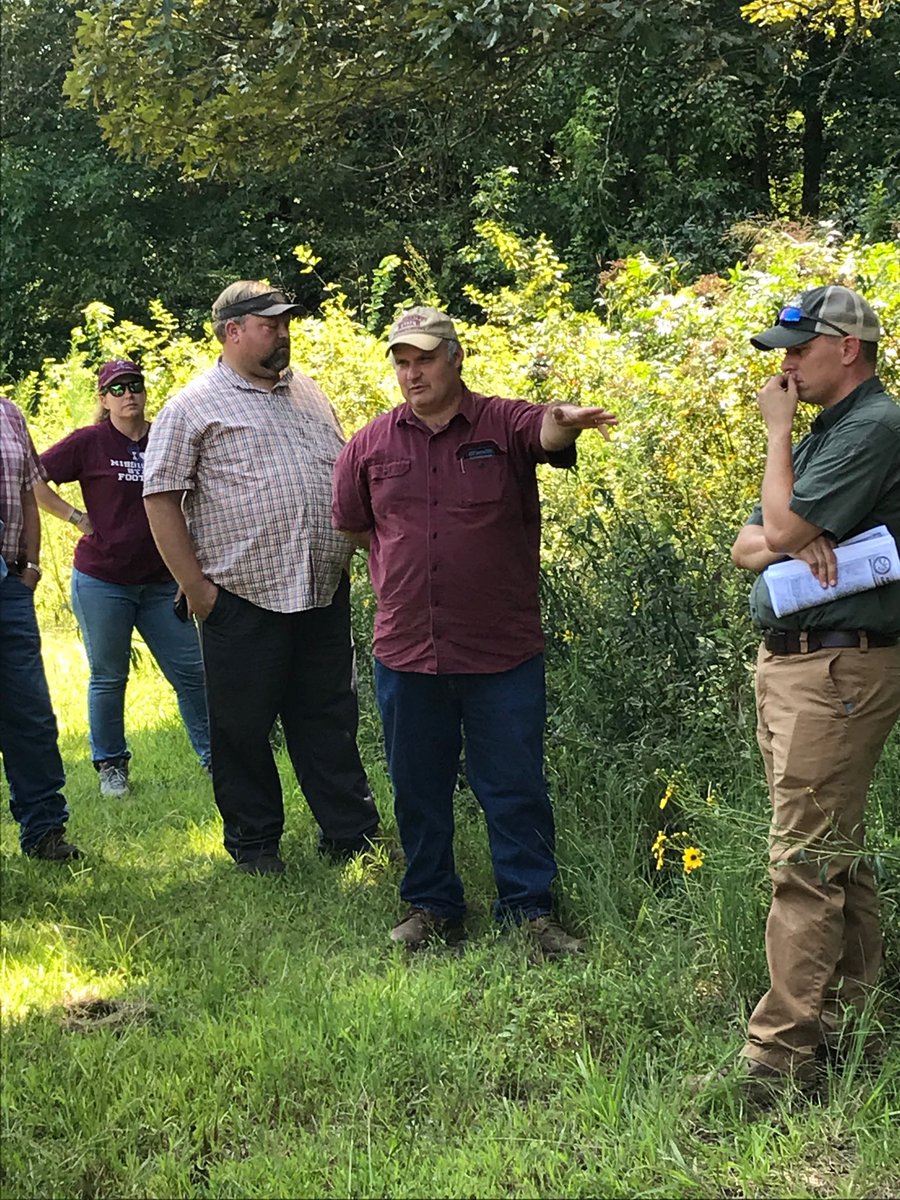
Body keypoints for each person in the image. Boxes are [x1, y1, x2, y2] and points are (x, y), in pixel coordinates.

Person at [332, 306, 618, 954]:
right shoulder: (370, 444)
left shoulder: (502, 422)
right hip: (408, 649)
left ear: (456, 358)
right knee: (418, 788)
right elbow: (353, 527)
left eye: (425, 359)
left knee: (514, 785)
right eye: (403, 362)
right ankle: (433, 907)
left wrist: (563, 422)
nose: (413, 373)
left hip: (501, 652)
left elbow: (544, 431)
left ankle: (530, 912)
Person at [722, 285, 900, 1101]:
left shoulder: (871, 427)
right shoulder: (840, 430)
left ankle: (780, 1059)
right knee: (835, 853)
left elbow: (780, 531)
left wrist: (776, 434)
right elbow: (746, 542)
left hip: (836, 669)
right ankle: (856, 1021)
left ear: (848, 349)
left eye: (798, 350)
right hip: (804, 662)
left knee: (804, 860)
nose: (785, 367)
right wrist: (781, 536)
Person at [143, 281, 380, 876]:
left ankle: (351, 835)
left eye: (285, 322)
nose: (283, 332)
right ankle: (255, 846)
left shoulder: (307, 392)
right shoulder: (193, 406)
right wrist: (199, 591)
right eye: (270, 324)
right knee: (242, 728)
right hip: (240, 598)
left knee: (328, 716)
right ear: (233, 332)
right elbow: (160, 498)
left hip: (321, 589)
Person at [36, 360, 211, 799]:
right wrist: (75, 516)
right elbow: (32, 478)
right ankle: (111, 766)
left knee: (193, 671)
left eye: (134, 386)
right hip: (102, 580)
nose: (127, 394)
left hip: (161, 582)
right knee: (109, 676)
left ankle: (217, 757)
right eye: (117, 389)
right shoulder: (90, 442)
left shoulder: (165, 436)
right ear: (103, 399)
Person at [0, 395, 83, 860]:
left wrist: (31, 565)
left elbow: (30, 490)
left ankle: (45, 830)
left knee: (29, 710)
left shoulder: (8, 412)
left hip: (8, 581)